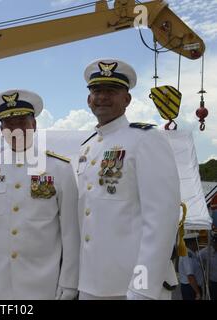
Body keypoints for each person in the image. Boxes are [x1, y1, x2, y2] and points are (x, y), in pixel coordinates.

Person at [77, 58, 181, 300]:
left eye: (111, 90)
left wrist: (143, 287)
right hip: (91, 283)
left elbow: (161, 220)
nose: (102, 96)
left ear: (127, 99)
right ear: (88, 99)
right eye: (96, 90)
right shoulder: (87, 148)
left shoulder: (146, 140)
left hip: (132, 286)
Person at [0, 89, 80, 299]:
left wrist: (70, 279)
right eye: (10, 124)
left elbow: (70, 230)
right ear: (2, 128)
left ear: (34, 125)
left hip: (43, 282)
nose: (16, 129)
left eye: (22, 122)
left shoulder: (59, 168)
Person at [179, 233, 204, 300]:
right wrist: (197, 292)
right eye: (197, 241)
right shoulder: (187, 255)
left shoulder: (192, 253)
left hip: (193, 287)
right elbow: (190, 276)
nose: (198, 244)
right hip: (190, 288)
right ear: (191, 243)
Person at [198, 235, 217, 300]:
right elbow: (197, 259)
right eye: (215, 242)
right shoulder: (206, 251)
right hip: (211, 283)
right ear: (212, 242)